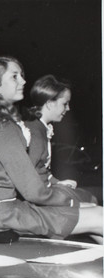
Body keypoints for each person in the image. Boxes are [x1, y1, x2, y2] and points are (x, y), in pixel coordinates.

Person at [0, 56, 102, 241]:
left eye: (22, 75)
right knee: (100, 217)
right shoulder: (1, 124)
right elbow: (33, 191)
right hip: (4, 216)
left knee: (91, 212)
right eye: (14, 77)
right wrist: (69, 201)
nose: (23, 81)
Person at [26, 74, 98, 204]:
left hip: (46, 191)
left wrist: (58, 182)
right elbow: (30, 177)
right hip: (39, 199)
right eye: (65, 104)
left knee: (89, 198)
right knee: (91, 203)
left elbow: (41, 170)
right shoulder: (35, 132)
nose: (68, 108)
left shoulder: (42, 128)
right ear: (49, 104)